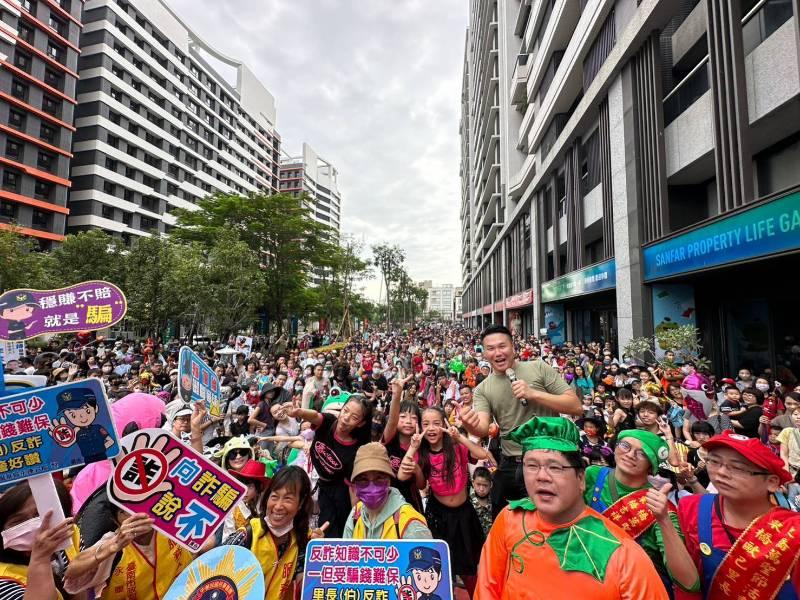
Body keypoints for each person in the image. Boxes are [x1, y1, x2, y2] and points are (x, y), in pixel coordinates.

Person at [475, 416, 669, 599]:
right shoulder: (510, 518)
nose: (541, 476)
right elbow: (487, 587)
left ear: (581, 478)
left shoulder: (625, 555)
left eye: (555, 467)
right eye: (532, 466)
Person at [460, 325, 581, 514]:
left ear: (513, 347)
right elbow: (483, 428)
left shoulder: (538, 368)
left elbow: (575, 406)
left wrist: (533, 393)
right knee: (509, 520)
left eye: (502, 346)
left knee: (550, 518)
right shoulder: (483, 389)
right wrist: (469, 424)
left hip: (550, 458)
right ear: (484, 354)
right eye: (491, 349)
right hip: (511, 463)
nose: (498, 353)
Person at [676, 431, 800, 599]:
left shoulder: (793, 531)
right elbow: (688, 582)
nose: (721, 473)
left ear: (771, 482)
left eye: (738, 467)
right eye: (714, 461)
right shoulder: (692, 508)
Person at [584, 430, 698, 596]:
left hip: (632, 590)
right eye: (625, 446)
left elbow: (689, 582)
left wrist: (664, 520)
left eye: (642, 453)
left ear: (651, 465)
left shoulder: (658, 507)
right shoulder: (593, 475)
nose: (630, 455)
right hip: (586, 577)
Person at [399, 406, 490, 597]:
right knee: (440, 565)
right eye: (425, 424)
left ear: (444, 425)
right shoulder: (420, 453)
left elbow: (483, 455)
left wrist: (460, 437)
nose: (431, 428)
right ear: (419, 427)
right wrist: (413, 450)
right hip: (438, 516)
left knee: (469, 566)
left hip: (464, 514)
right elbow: (404, 476)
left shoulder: (457, 447)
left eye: (436, 424)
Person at [222, 466, 325, 600]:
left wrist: (318, 555)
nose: (278, 506)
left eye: (288, 499)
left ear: (301, 503)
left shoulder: (302, 540)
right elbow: (215, 575)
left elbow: (305, 586)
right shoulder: (247, 536)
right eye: (274, 497)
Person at [284, 395, 372, 538]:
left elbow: (352, 487)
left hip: (338, 491)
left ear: (361, 423)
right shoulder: (329, 422)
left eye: (354, 417)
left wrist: (356, 515)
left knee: (334, 528)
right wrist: (299, 412)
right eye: (345, 411)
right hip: (317, 479)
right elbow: (315, 416)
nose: (346, 418)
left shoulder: (356, 450)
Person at [0, 481, 79, 600]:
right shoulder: (4, 581)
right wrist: (41, 558)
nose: (35, 526)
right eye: (18, 521)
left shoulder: (70, 534)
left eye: (39, 515)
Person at [342, 443, 431, 539]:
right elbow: (345, 552)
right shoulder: (355, 514)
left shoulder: (410, 523)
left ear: (389, 480)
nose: (371, 487)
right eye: (363, 479)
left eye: (379, 478)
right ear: (355, 484)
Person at [470, 466, 494, 536]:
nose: (481, 489)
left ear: (491, 485)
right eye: (478, 484)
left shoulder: (494, 502)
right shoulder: (467, 502)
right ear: (473, 483)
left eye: (485, 485)